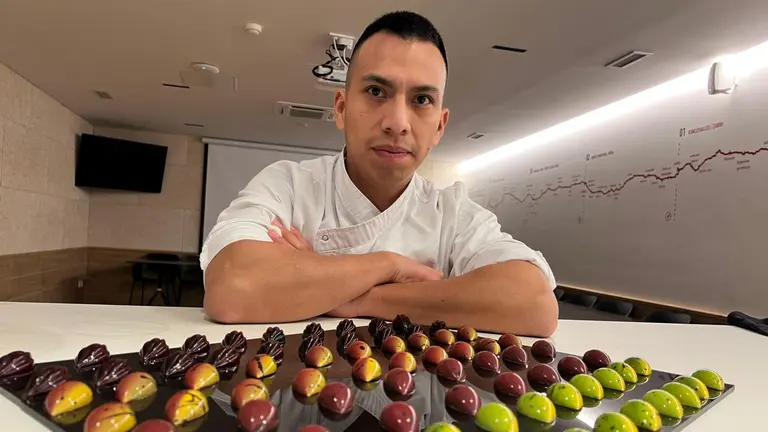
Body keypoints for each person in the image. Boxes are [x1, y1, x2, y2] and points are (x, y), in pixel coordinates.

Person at [201, 11, 558, 336]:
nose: (397, 124)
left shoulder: (453, 213)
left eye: (421, 100)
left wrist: (354, 297)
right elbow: (233, 286)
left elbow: (533, 303)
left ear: (439, 126)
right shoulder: (289, 185)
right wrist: (391, 266)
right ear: (341, 108)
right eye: (376, 92)